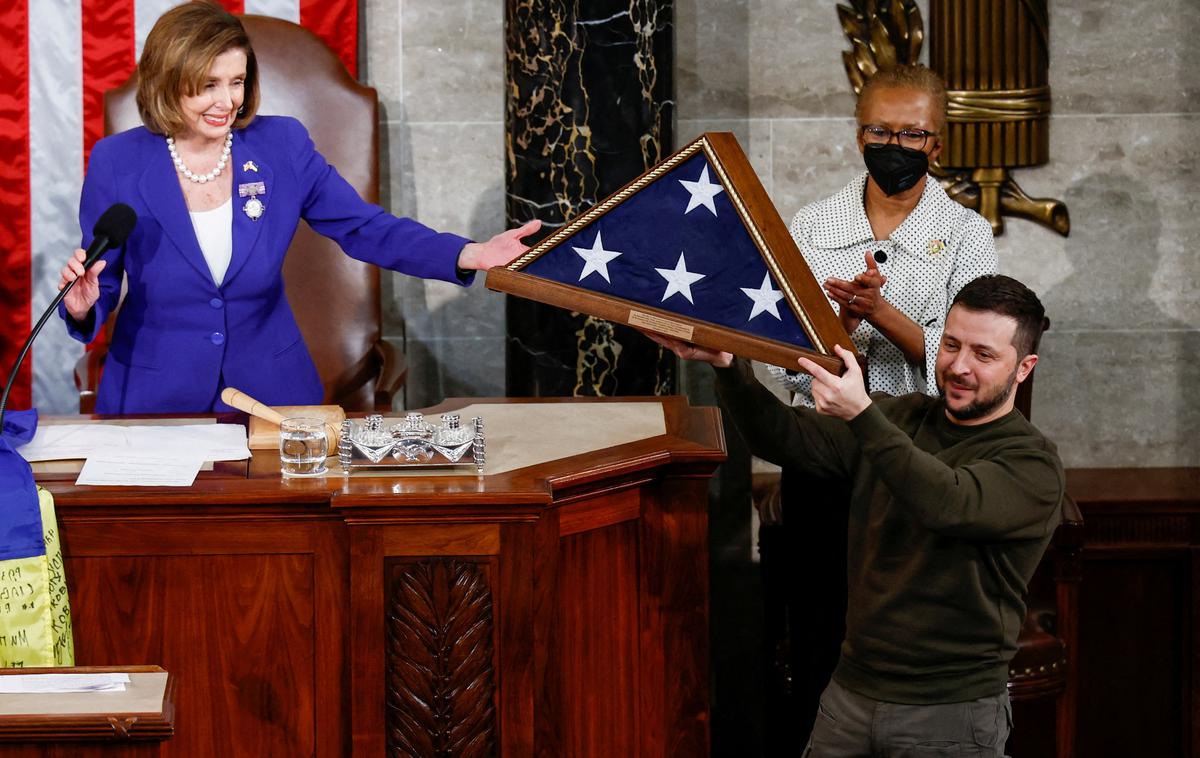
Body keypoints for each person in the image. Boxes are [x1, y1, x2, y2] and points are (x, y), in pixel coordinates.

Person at [649, 274, 1063, 755]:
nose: (959, 366)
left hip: (949, 709)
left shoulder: (1031, 463)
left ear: (1023, 367)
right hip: (850, 692)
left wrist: (863, 414)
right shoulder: (902, 416)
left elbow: (947, 503)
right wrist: (728, 366)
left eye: (984, 354)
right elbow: (780, 436)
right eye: (951, 344)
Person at [56, 1, 539, 414]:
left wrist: (467, 254)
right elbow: (102, 275)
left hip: (272, 398)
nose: (227, 101)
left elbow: (365, 227)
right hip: (155, 399)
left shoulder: (280, 146)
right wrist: (84, 307)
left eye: (237, 81)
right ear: (168, 81)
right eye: (207, 85)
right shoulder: (117, 162)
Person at [762, 64, 998, 741]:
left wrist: (884, 313)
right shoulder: (813, 224)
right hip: (828, 452)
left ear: (938, 146)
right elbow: (790, 357)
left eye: (911, 133)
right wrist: (844, 335)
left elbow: (972, 360)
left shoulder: (965, 233)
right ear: (857, 133)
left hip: (925, 459)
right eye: (879, 130)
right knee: (819, 632)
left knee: (904, 630)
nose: (893, 143)